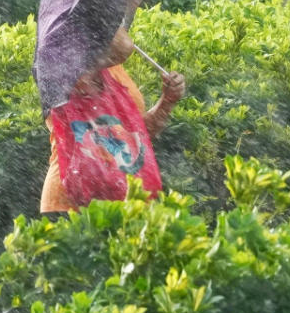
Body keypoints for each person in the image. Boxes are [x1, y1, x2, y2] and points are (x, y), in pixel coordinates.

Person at [40, 25, 186, 216]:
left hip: (118, 201)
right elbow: (123, 45)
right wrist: (108, 15)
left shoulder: (115, 70)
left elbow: (136, 134)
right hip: (69, 203)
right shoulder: (69, 63)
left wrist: (166, 101)